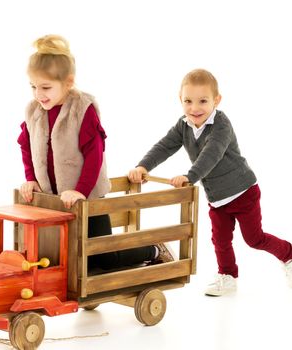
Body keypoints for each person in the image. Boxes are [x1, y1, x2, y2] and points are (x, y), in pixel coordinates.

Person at [128, 68, 292, 296]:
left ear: (217, 100)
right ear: (180, 100)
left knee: (254, 239)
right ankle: (227, 276)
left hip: (243, 192)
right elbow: (165, 146)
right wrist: (143, 166)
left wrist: (189, 176)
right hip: (217, 198)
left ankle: (288, 254)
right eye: (188, 101)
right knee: (220, 240)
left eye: (203, 101)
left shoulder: (221, 125)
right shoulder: (183, 125)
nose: (195, 108)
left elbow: (211, 154)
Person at [17, 34, 175, 270]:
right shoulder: (34, 110)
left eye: (46, 87)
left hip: (87, 198)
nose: (39, 94)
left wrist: (80, 190)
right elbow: (26, 145)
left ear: (68, 82)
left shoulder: (82, 108)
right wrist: (30, 178)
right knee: (59, 254)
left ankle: (153, 248)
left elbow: (95, 153)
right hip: (53, 200)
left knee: (102, 256)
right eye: (33, 87)